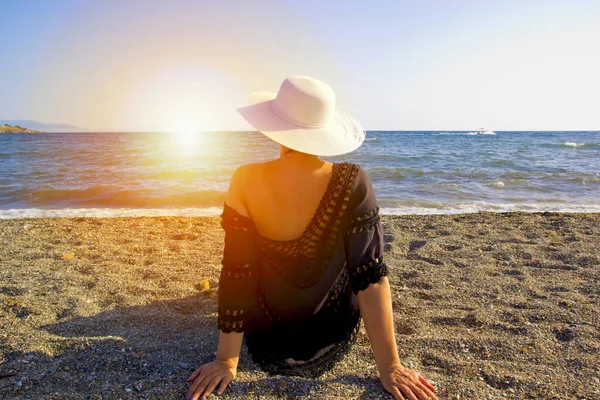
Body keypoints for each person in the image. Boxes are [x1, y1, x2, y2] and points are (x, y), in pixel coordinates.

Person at [186, 76, 438, 400]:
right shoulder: (353, 181)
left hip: (267, 327)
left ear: (275, 128)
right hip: (331, 324)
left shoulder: (245, 180)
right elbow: (370, 277)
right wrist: (390, 367)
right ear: (323, 131)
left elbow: (238, 272)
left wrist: (227, 360)